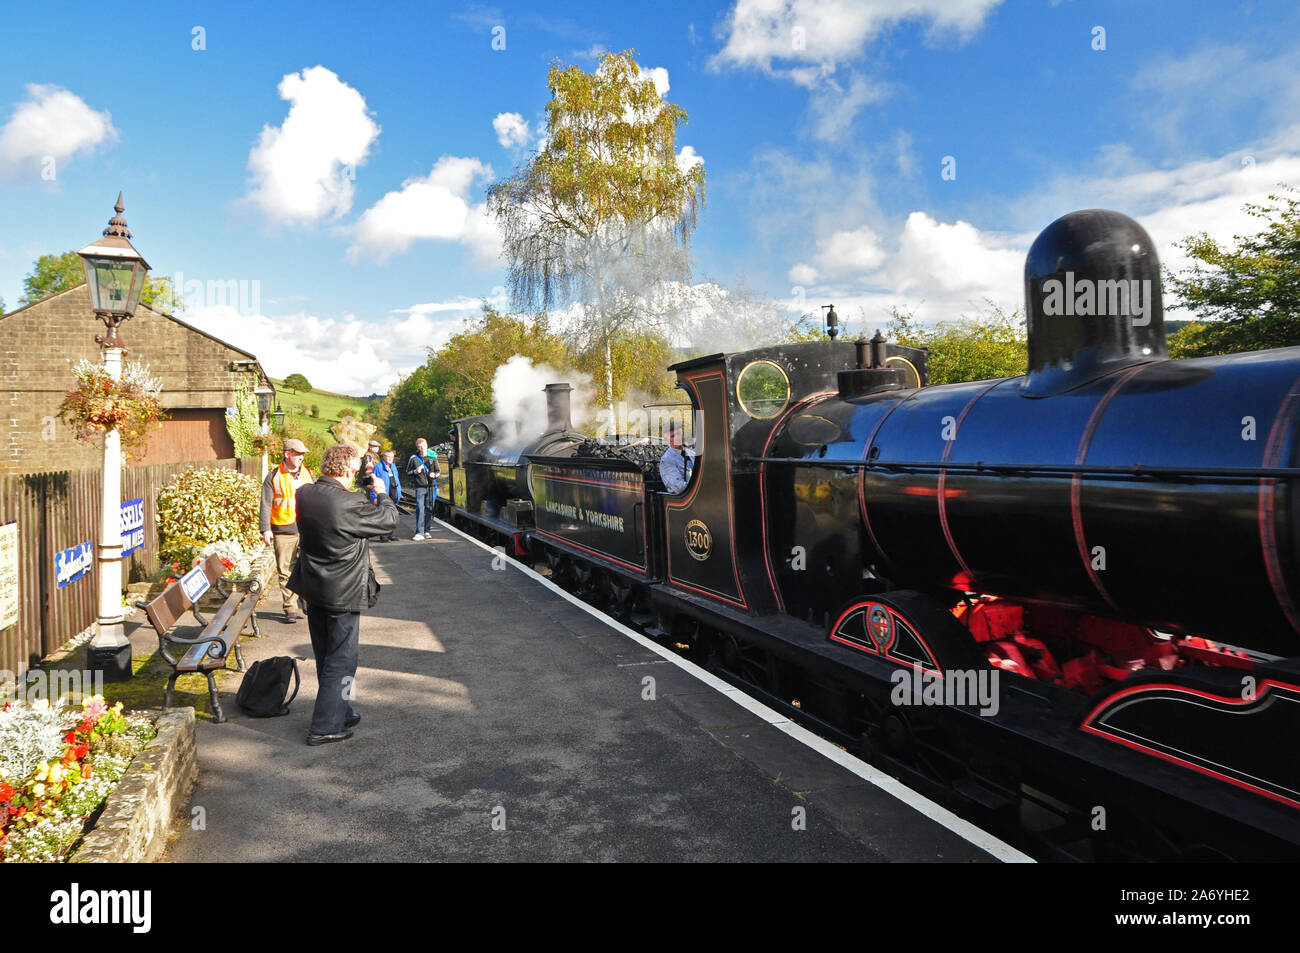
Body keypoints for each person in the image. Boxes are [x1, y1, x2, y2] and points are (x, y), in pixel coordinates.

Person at [288, 443, 398, 746]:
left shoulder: (305, 494)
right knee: (343, 660)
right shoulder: (349, 502)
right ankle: (324, 726)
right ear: (349, 470)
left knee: (326, 654)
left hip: (314, 587)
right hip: (342, 590)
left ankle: (342, 710)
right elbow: (389, 520)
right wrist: (382, 492)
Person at [259, 438, 314, 622]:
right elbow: (266, 504)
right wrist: (266, 529)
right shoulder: (273, 476)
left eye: (303, 454)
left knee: (308, 567)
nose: (301, 457)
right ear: (287, 454)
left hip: (306, 529)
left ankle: (306, 600)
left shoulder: (308, 473)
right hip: (283, 529)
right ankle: (290, 607)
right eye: (298, 453)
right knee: (285, 571)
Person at [406, 438, 436, 540]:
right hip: (420, 487)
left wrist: (434, 474)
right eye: (419, 447)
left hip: (431, 487)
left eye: (423, 446)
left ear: (426, 445)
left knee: (429, 509)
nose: (422, 448)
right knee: (420, 508)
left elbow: (439, 471)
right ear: (417, 448)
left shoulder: (433, 457)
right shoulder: (413, 458)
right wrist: (415, 471)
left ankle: (427, 530)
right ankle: (419, 532)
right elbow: (408, 472)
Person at [658, 419, 695, 494]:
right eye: (672, 436)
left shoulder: (693, 454)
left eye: (679, 434)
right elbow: (679, 488)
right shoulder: (667, 460)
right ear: (666, 439)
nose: (677, 438)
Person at [374, 450, 402, 540]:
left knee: (392, 514)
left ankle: (390, 534)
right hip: (384, 494)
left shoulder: (393, 466)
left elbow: (397, 479)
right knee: (384, 515)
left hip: (393, 493)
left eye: (392, 457)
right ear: (384, 457)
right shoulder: (378, 467)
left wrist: (399, 493)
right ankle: (383, 535)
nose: (390, 459)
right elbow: (374, 482)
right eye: (388, 457)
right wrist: (374, 496)